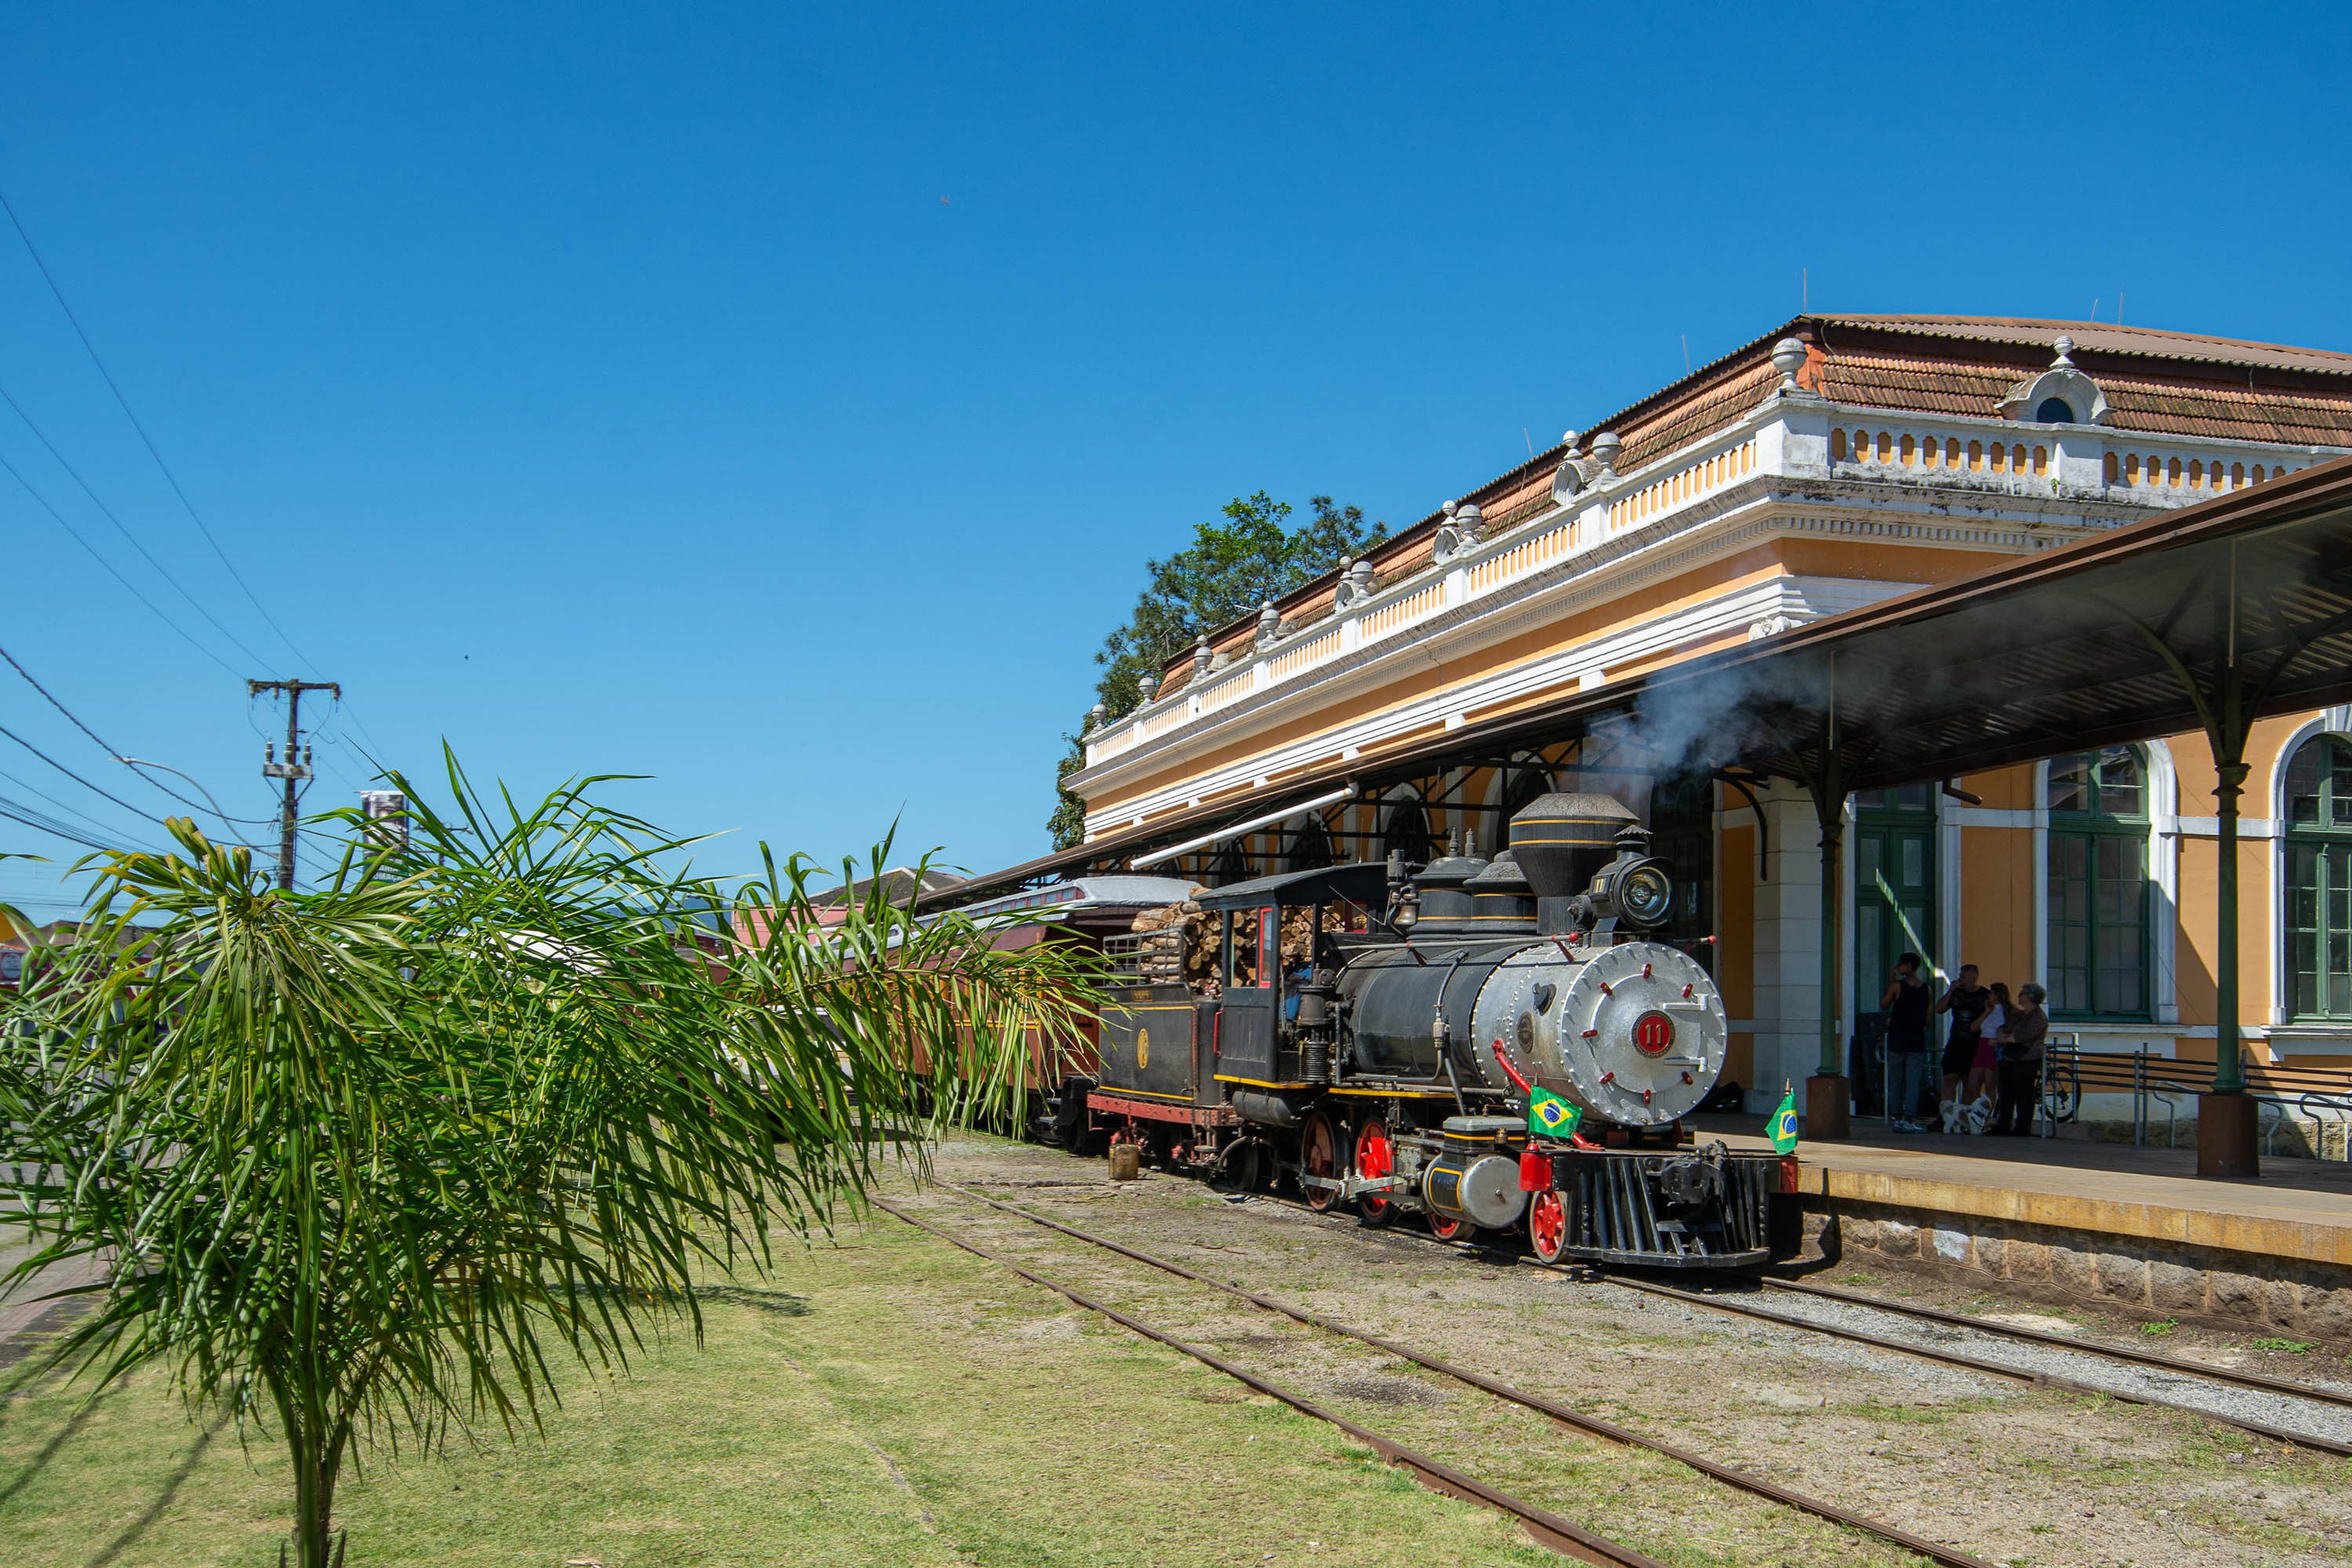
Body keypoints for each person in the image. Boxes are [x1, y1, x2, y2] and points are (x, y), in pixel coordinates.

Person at [1880, 953, 1933, 1132]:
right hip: (1916, 1038)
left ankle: (1897, 1116)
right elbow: (1928, 1019)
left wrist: (1891, 982)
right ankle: (1910, 1116)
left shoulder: (1897, 987)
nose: (1898, 968)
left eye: (1901, 965)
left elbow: (1884, 1005)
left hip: (1897, 1037)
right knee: (1913, 1080)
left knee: (1895, 1079)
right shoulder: (1927, 989)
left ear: (1909, 966)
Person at [1933, 963, 1990, 1124]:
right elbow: (1939, 1009)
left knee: (1969, 1081)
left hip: (1974, 1043)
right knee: (1950, 1078)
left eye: (1964, 977)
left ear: (1974, 977)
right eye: (1960, 976)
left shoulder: (1984, 995)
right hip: (1956, 1041)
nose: (1961, 980)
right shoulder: (1956, 993)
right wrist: (1951, 990)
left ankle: (1964, 1115)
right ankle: (1946, 1114)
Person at [1992, 983, 2049, 1135]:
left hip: (2027, 1058)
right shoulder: (2019, 1014)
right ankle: (2003, 1124)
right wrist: (2001, 1034)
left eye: (2022, 993)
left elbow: (2025, 1035)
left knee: (2023, 1093)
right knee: (2005, 1092)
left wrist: (2009, 1038)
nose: (2019, 995)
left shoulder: (2038, 1016)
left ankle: (2022, 1127)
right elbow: (2006, 1026)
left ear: (2030, 996)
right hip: (2009, 1057)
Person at [1958, 982, 2011, 1131]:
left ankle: (1986, 1117)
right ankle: (1976, 1112)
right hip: (1982, 1046)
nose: (1989, 996)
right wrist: (1987, 1012)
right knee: (1972, 1084)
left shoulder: (2006, 1012)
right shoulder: (1989, 1010)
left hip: (1993, 1047)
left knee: (1990, 1085)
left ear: (1999, 995)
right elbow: (1974, 1027)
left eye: (1992, 993)